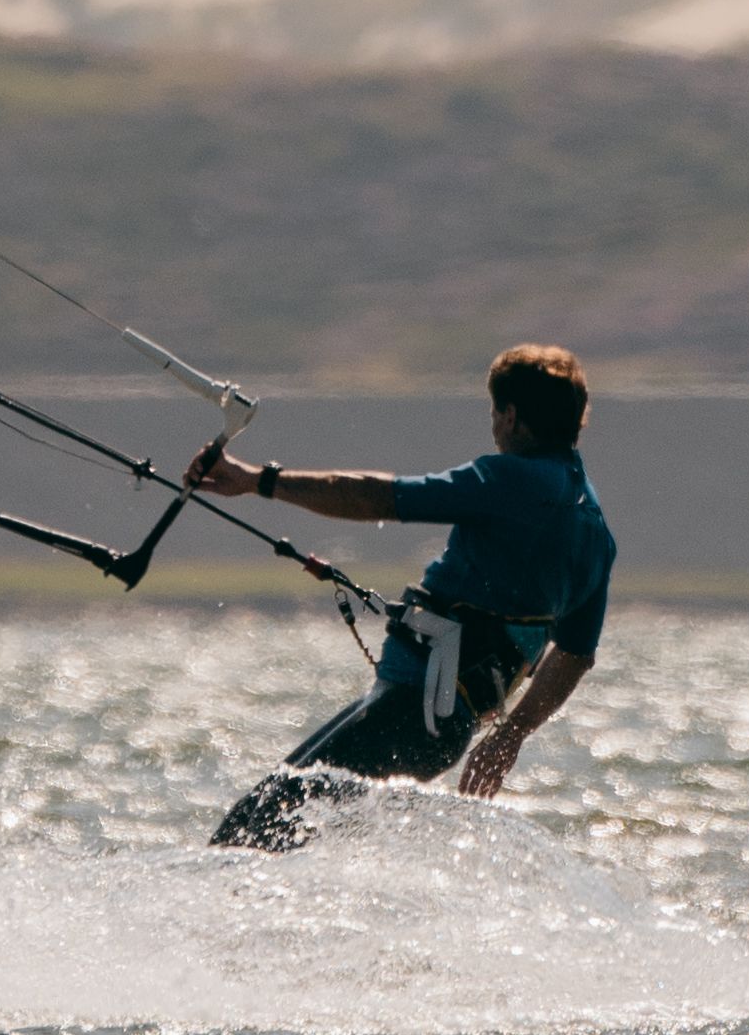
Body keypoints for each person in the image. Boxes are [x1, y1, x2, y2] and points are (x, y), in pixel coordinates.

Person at [194, 345, 616, 851]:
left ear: (511, 416)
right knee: (278, 835)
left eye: (493, 414)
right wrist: (511, 736)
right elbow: (574, 654)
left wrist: (258, 481)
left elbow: (380, 496)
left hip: (414, 713)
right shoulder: (595, 531)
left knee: (247, 836)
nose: (494, 427)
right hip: (433, 725)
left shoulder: (509, 480)